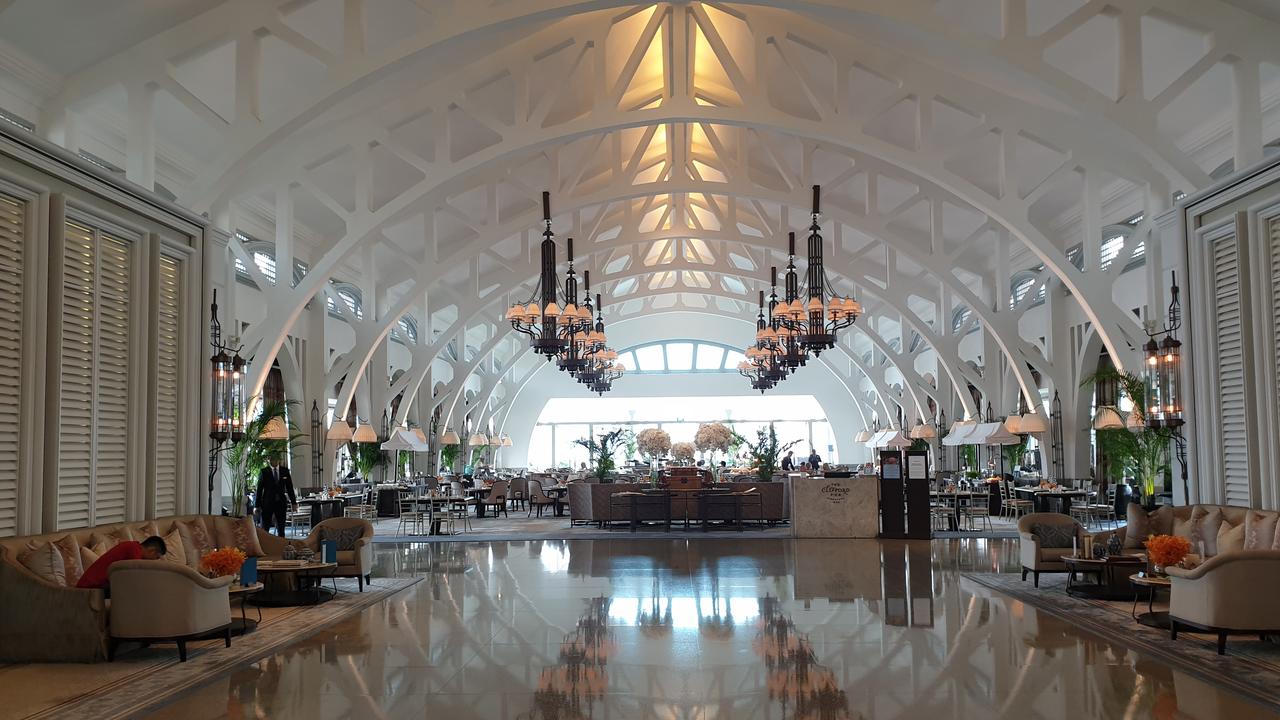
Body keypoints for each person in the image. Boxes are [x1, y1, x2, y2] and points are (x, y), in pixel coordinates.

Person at [77, 536, 167, 590]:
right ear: (152, 551)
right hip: (91, 588)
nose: (154, 560)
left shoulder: (133, 546)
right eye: (156, 557)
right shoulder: (134, 550)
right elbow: (136, 578)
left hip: (99, 584)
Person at [258, 453, 297, 538]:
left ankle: (281, 547)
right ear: (269, 460)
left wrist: (294, 503)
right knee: (265, 528)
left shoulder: (285, 471)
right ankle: (265, 546)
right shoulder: (264, 472)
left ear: (279, 460)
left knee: (281, 528)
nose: (273, 461)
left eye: (275, 459)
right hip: (267, 504)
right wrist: (256, 506)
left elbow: (290, 488)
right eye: (271, 459)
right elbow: (259, 490)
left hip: (281, 503)